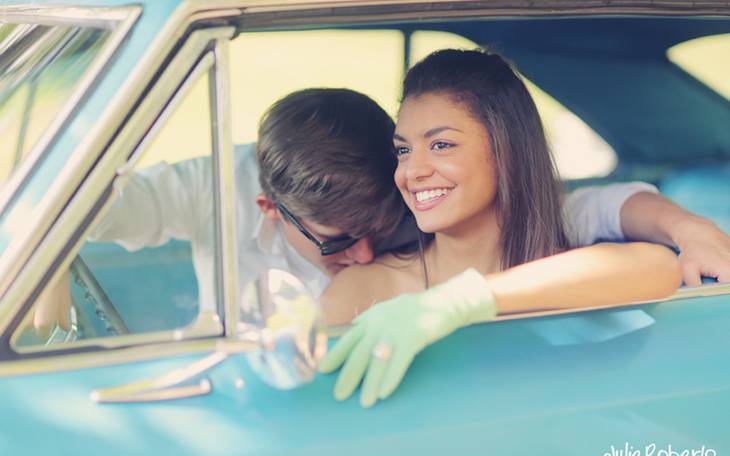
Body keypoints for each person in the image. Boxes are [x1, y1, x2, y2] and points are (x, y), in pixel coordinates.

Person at [33, 87, 730, 329]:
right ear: (268, 208)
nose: (363, 253)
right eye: (338, 243)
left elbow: (596, 212)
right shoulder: (204, 188)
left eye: (380, 227)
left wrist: (692, 227)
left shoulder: (425, 216)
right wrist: (47, 252)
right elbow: (64, 199)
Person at [317, 49, 684, 408]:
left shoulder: (562, 270)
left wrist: (460, 300)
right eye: (403, 151)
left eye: (441, 145)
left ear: (506, 151)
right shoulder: (366, 289)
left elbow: (661, 267)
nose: (412, 172)